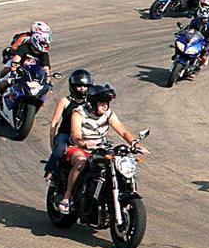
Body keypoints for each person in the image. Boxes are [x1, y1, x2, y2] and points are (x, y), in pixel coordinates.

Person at [56, 83, 145, 215]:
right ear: (92, 103)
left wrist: (134, 144)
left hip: (99, 149)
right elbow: (75, 135)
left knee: (116, 164)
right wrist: (83, 143)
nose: (105, 106)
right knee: (81, 162)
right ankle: (66, 198)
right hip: (77, 148)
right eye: (102, 103)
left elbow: (123, 131)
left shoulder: (108, 114)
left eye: (106, 103)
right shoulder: (79, 113)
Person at [44, 68, 91, 182]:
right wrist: (52, 141)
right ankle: (51, 171)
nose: (82, 89)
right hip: (65, 134)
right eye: (79, 86)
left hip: (83, 134)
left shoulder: (90, 102)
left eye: (85, 86)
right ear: (72, 86)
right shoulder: (65, 101)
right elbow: (54, 122)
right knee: (60, 149)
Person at [0, 21, 52, 106]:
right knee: (7, 76)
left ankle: (38, 103)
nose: (45, 44)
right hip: (19, 63)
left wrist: (48, 80)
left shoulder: (44, 55)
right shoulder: (24, 40)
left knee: (44, 91)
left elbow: (46, 68)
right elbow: (15, 51)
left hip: (32, 70)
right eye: (43, 43)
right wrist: (14, 68)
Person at [185, 0, 209, 66]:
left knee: (207, 49)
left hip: (206, 33)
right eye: (204, 4)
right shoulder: (196, 11)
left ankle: (206, 56)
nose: (205, 7)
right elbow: (189, 16)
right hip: (194, 30)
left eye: (207, 5)